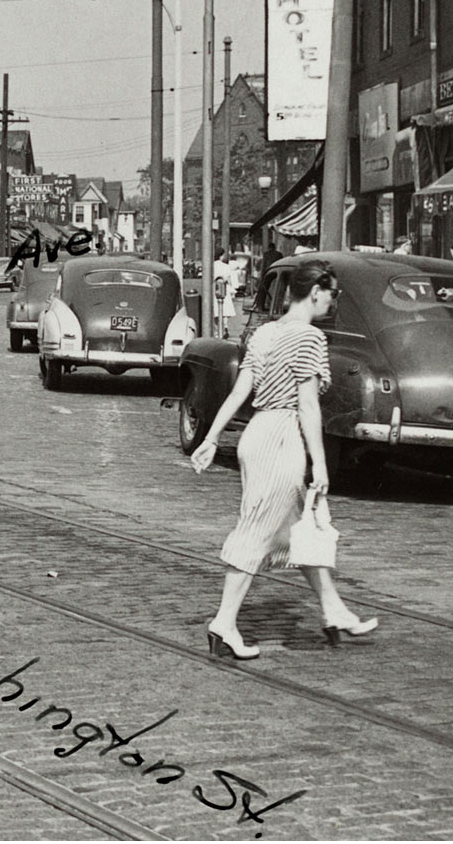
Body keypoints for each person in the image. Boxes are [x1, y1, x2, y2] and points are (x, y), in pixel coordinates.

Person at [191, 262, 375, 660]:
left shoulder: (265, 333)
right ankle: (224, 623)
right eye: (333, 294)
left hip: (256, 434)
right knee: (256, 532)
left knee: (296, 533)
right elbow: (308, 406)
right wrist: (320, 464)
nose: (333, 301)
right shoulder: (309, 339)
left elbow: (241, 390)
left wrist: (211, 437)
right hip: (282, 438)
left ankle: (332, 608)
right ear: (315, 293)